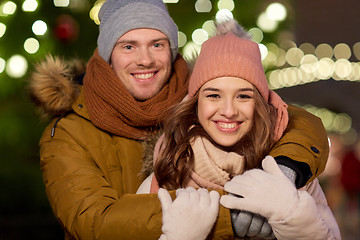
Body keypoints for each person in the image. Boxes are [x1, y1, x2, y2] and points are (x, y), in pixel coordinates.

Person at [29, 0, 329, 239]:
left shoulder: (199, 95)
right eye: (128, 45)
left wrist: (289, 167)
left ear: (171, 50)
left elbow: (285, 117)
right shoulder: (69, 131)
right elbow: (94, 220)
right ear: (109, 54)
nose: (145, 59)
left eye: (157, 44)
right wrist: (229, 217)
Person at [138, 20, 340, 240]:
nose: (228, 111)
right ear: (195, 104)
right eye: (214, 95)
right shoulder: (168, 168)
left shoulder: (288, 173)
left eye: (243, 96)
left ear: (261, 105)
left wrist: (290, 214)